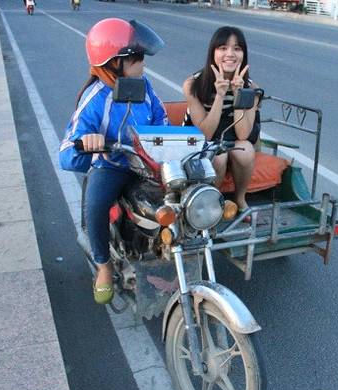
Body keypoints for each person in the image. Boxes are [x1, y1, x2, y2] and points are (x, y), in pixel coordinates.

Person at [59, 18, 168, 304]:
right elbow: (67, 150)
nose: (143, 63)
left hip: (148, 165)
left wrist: (163, 139)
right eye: (137, 57)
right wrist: (88, 142)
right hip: (113, 166)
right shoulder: (95, 98)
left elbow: (161, 118)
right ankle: (104, 265)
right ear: (115, 62)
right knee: (95, 206)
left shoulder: (144, 86)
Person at [183, 26, 260, 216]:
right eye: (223, 48)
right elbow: (206, 134)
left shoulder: (251, 88)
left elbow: (243, 134)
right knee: (218, 157)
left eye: (237, 48)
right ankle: (210, 204)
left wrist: (239, 93)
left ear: (243, 54)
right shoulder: (193, 84)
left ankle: (240, 199)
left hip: (232, 138)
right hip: (200, 141)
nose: (230, 54)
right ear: (213, 53)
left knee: (246, 151)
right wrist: (220, 95)